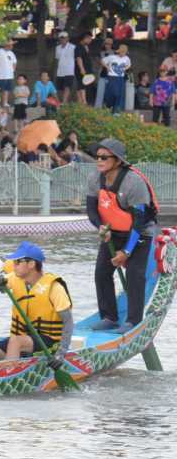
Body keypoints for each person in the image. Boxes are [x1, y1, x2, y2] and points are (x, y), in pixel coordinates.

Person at [86, 138, 158, 332]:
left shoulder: (134, 183)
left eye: (104, 157)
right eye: (97, 157)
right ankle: (109, 317)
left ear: (117, 161)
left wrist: (126, 252)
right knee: (101, 273)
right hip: (112, 232)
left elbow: (139, 220)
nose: (99, 160)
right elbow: (92, 210)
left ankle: (133, 320)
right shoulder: (95, 178)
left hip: (139, 233)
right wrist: (101, 227)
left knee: (134, 275)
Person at [0, 242, 72, 365]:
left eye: (18, 262)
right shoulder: (13, 278)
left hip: (50, 342)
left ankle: (9, 375)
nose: (14, 266)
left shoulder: (54, 287)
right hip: (24, 337)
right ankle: (5, 367)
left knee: (15, 341)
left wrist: (61, 353)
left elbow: (68, 323)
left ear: (31, 264)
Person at [0, 39, 17, 109]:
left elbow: (15, 62)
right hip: (1, 75)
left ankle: (5, 103)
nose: (12, 46)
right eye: (11, 45)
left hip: (9, 75)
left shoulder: (11, 53)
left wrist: (13, 69)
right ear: (7, 45)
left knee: (7, 90)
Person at [54, 31, 76, 103]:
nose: (62, 39)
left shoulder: (73, 47)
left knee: (67, 87)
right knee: (60, 88)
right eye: (61, 38)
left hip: (69, 71)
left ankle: (64, 102)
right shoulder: (57, 48)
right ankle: (60, 102)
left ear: (67, 38)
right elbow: (57, 59)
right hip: (60, 71)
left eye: (64, 38)